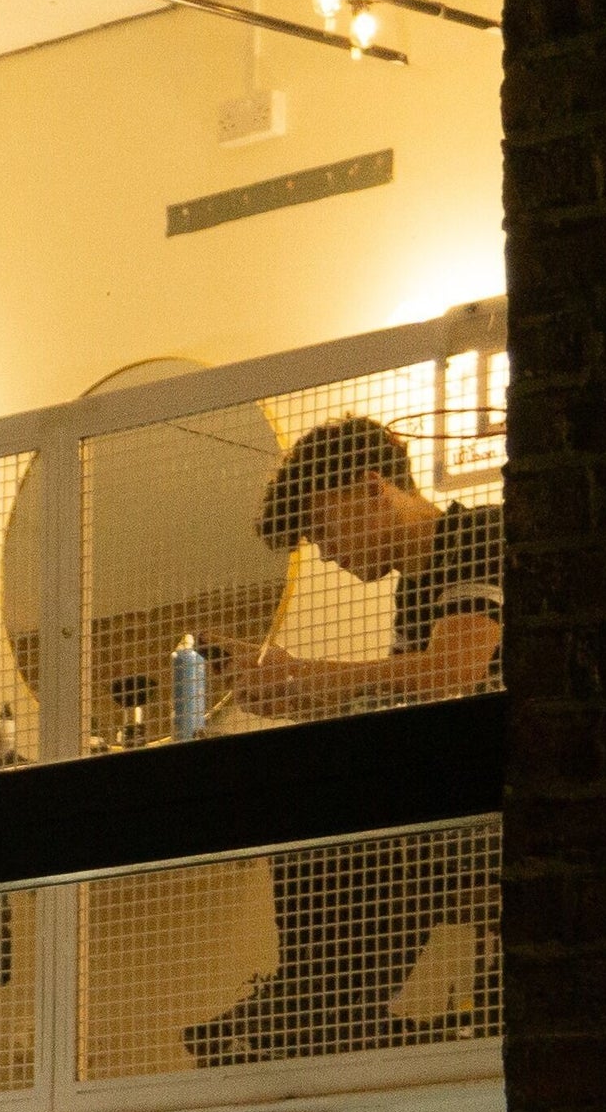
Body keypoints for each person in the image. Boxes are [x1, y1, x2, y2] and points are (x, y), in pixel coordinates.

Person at [188, 417, 502, 1066]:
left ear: (371, 488)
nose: (326, 552)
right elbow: (395, 703)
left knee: (348, 805)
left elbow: (453, 672)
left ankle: (320, 1008)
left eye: (323, 529)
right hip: (445, 801)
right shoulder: (418, 586)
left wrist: (305, 676)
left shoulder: (477, 533)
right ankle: (321, 1004)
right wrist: (287, 694)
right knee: (312, 786)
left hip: (490, 801)